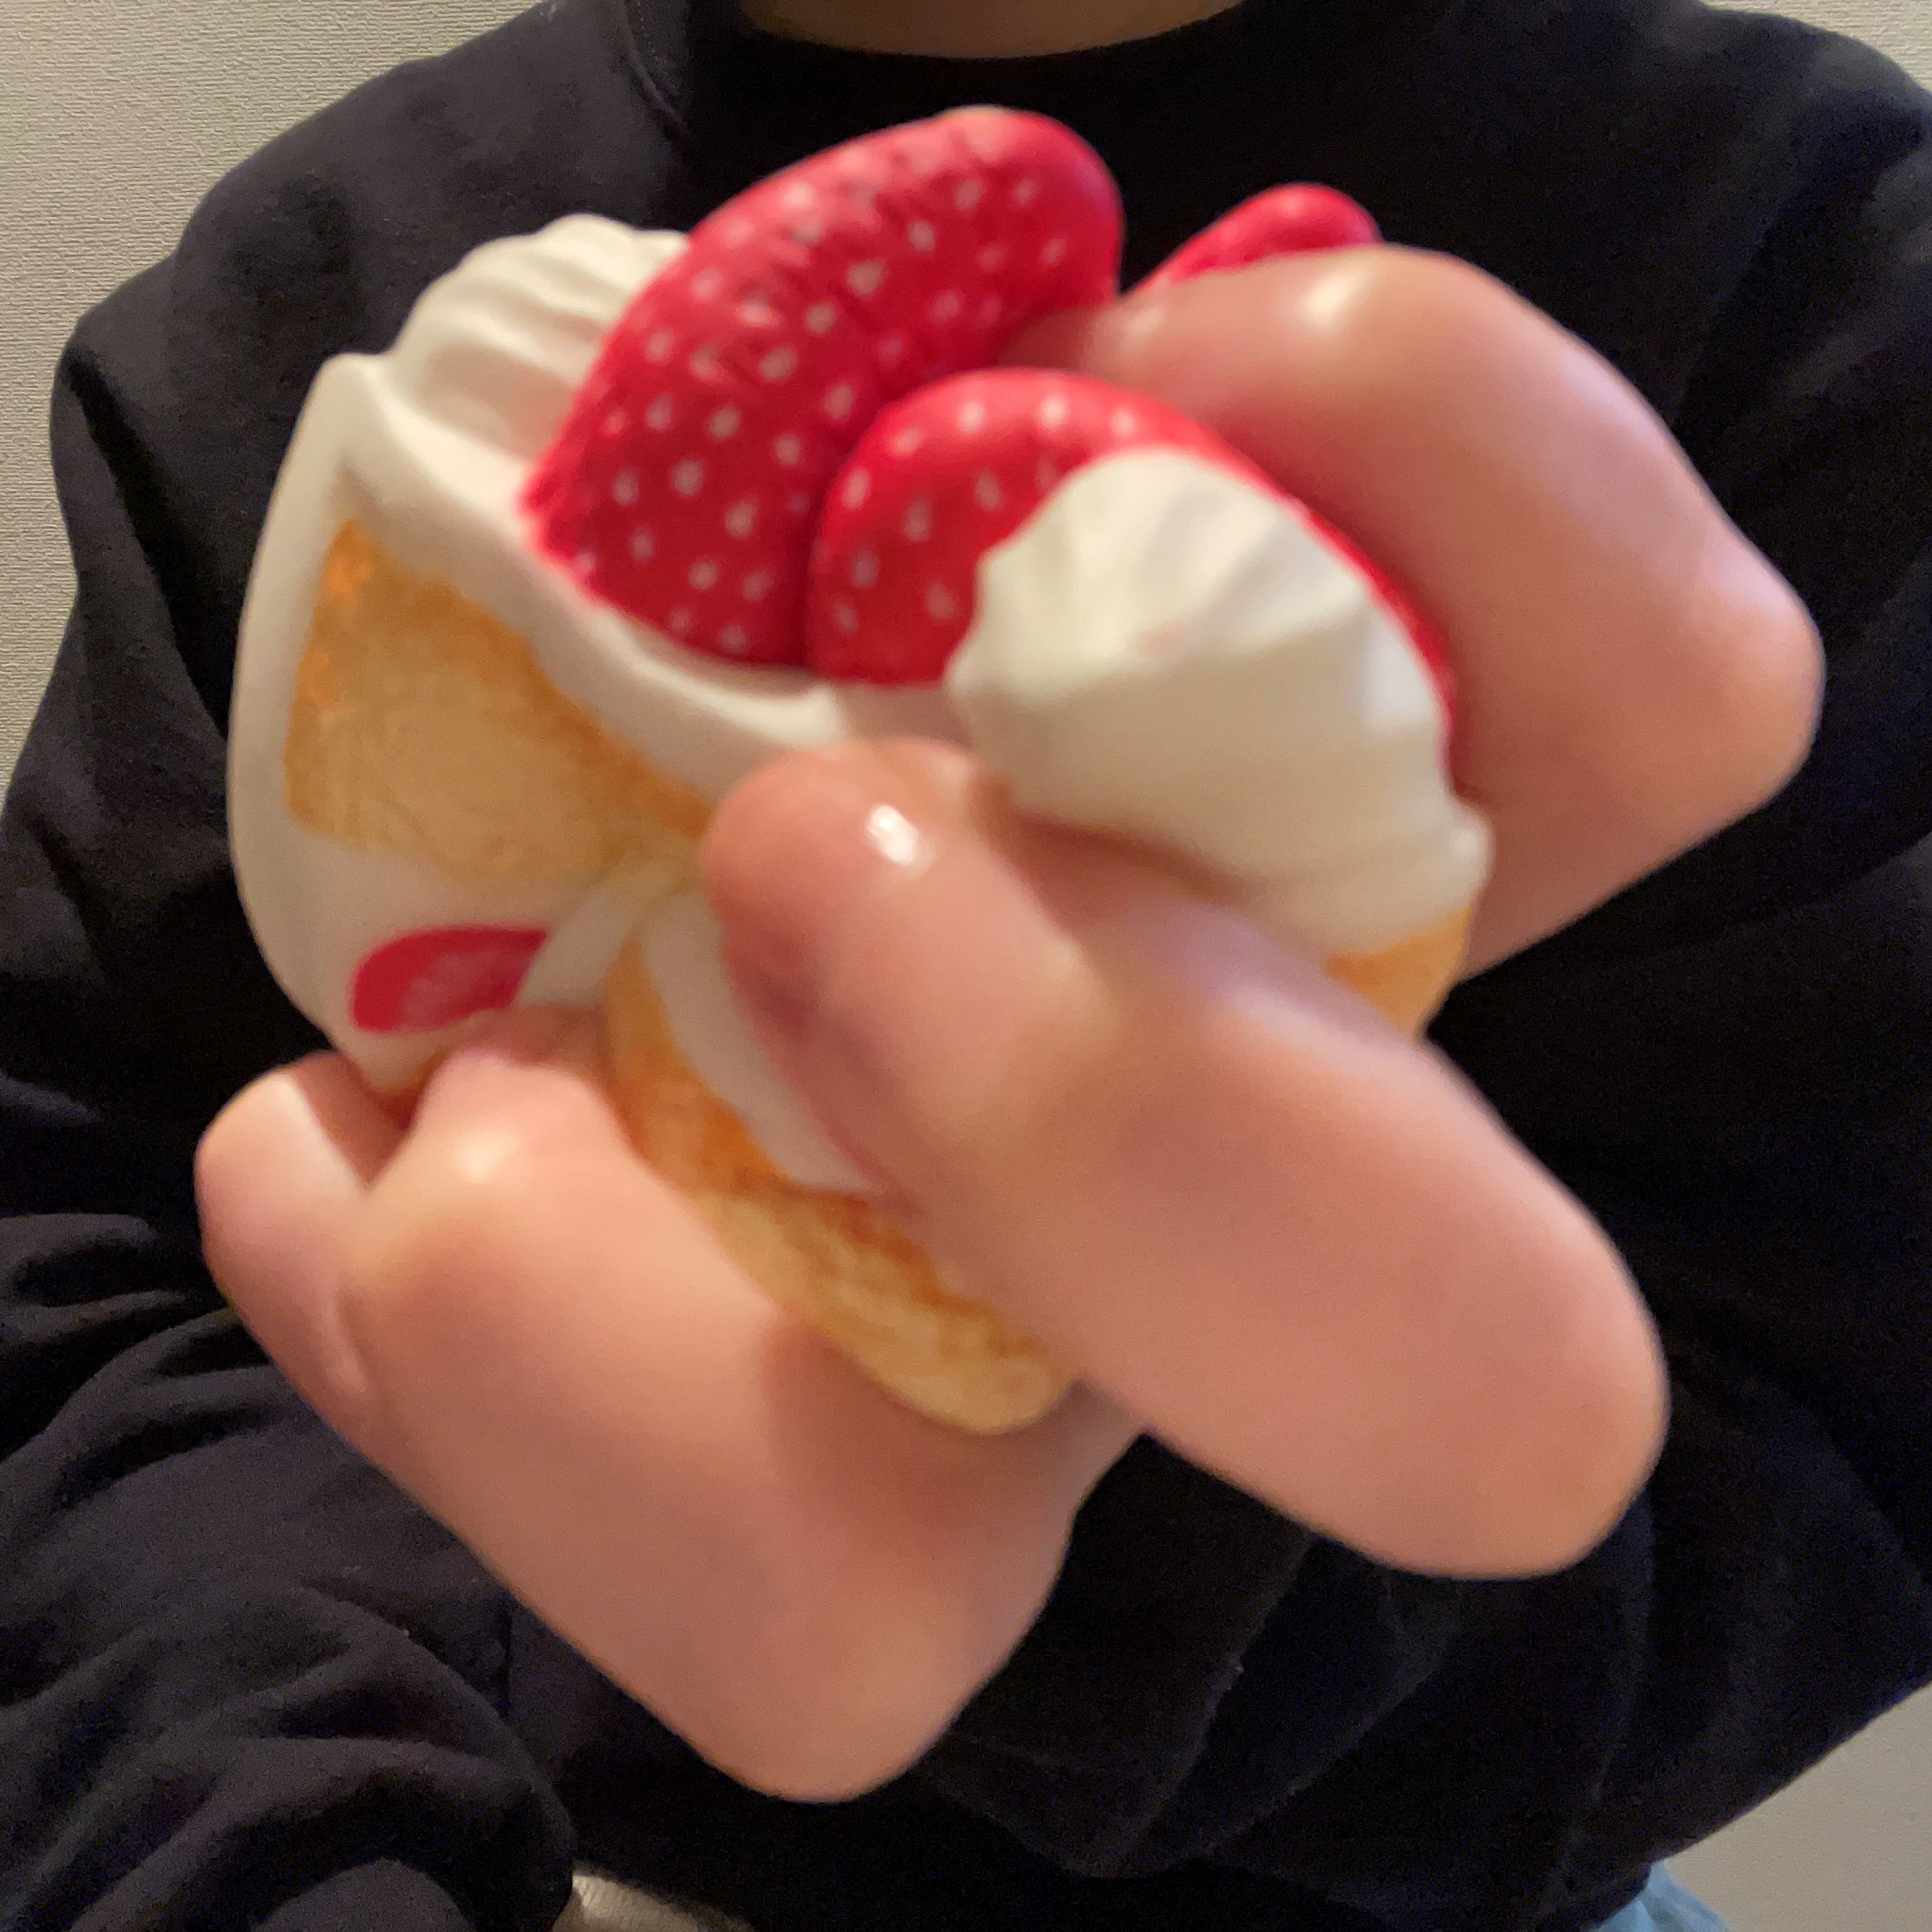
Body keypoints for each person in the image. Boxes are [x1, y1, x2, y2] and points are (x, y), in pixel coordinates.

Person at [2, 0, 1929, 1929]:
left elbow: (1802, 1470)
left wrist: (1078, 1474)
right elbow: (86, 1252)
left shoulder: (1806, 256)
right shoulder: (302, 288)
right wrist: (298, 1857)